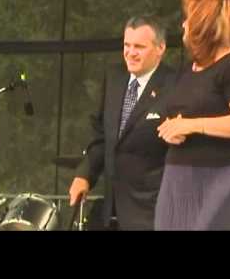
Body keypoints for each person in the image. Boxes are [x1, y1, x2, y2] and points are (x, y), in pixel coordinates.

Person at [155, 0, 230, 230]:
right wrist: (172, 127)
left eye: (188, 18)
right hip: (178, 175)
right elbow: (182, 114)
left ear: (204, 24)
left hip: (221, 175)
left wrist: (192, 125)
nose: (183, 24)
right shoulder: (190, 68)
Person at [68, 15, 176, 230]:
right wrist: (84, 174)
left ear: (160, 48)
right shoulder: (114, 78)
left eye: (139, 46)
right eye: (127, 45)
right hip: (110, 209)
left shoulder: (175, 84)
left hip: (151, 211)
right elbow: (102, 136)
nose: (130, 52)